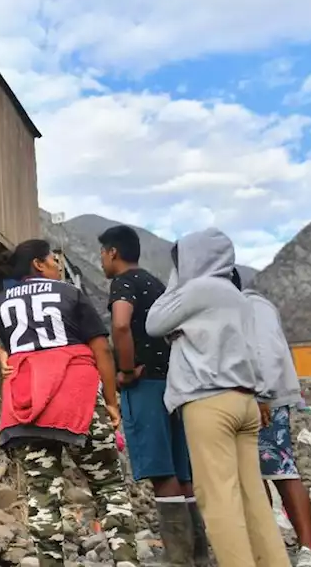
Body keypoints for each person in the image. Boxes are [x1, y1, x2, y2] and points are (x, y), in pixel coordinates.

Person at [0, 239, 139, 567]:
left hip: (27, 407)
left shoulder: (0, 302)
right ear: (38, 264)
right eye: (52, 259)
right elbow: (102, 351)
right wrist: (111, 403)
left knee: (42, 497)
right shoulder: (70, 294)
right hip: (78, 401)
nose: (57, 265)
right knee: (109, 485)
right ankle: (125, 561)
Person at [146, 228, 289, 567]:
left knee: (219, 500)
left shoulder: (197, 290)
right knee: (253, 498)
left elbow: (153, 322)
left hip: (209, 405)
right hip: (245, 403)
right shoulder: (237, 296)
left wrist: (177, 282)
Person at [99, 225, 204, 565]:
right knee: (181, 471)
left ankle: (179, 557)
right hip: (173, 383)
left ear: (113, 252)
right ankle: (199, 552)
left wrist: (127, 370)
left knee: (161, 471)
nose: (101, 259)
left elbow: (120, 324)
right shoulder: (156, 283)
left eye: (102, 253)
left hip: (145, 386)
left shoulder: (124, 283)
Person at [239, 270, 311, 567]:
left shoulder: (253, 305)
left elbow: (268, 350)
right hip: (248, 398)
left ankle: (308, 550)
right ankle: (267, 545)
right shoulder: (233, 306)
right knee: (254, 476)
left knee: (282, 471)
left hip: (266, 398)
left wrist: (262, 393)